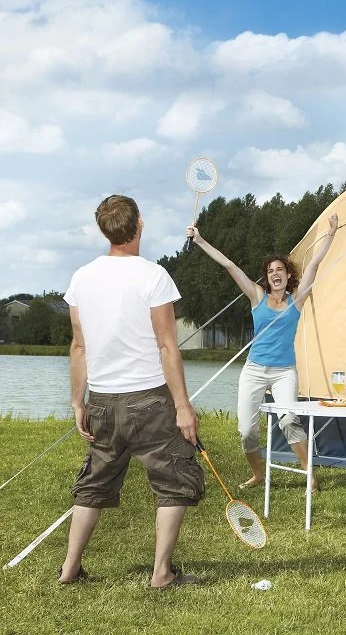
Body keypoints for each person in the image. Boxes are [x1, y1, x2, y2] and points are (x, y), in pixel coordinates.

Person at [60, 194, 203, 588]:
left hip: (102, 402)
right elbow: (167, 346)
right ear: (139, 224)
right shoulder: (153, 276)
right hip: (150, 400)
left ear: (103, 229)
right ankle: (161, 574)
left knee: (94, 483)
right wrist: (183, 406)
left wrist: (78, 401)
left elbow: (78, 347)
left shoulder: (81, 278)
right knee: (174, 480)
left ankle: (70, 569)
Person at [186, 213, 338, 491]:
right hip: (254, 370)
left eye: (280, 269)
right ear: (266, 278)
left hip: (284, 373)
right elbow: (230, 265)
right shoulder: (257, 297)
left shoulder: (297, 300)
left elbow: (315, 262)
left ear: (288, 275)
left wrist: (331, 233)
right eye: (270, 271)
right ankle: (258, 474)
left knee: (289, 420)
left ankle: (309, 475)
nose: (275, 274)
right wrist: (200, 240)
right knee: (246, 431)